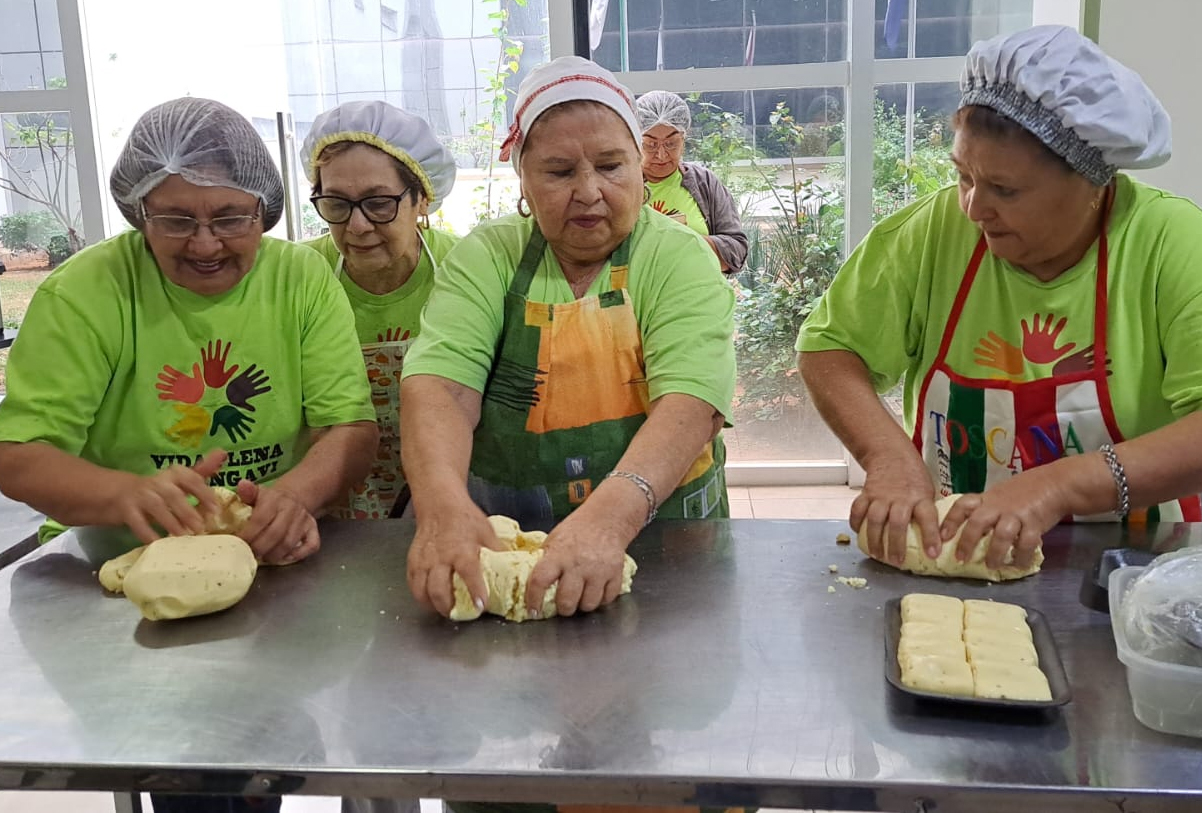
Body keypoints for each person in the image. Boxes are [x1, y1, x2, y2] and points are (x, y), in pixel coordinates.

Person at [796, 25, 1202, 572]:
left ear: (1092, 184)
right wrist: (888, 457)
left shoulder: (1166, 242)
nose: (972, 208)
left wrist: (1060, 485)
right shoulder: (936, 231)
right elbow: (832, 349)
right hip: (960, 552)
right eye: (963, 175)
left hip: (1132, 567)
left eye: (1005, 190)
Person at [0, 97, 380, 812]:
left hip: (279, 573)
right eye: (175, 220)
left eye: (229, 219)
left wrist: (295, 496)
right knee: (187, 777)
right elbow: (19, 453)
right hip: (116, 588)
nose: (205, 244)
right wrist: (128, 497)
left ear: (262, 211)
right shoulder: (86, 294)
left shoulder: (297, 280)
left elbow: (350, 430)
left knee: (281, 758)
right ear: (138, 211)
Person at [401, 56, 735, 623]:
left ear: (638, 164)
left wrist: (609, 521)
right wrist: (441, 505)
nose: (588, 192)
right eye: (559, 172)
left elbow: (690, 402)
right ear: (523, 178)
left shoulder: (676, 255)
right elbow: (442, 387)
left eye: (611, 166)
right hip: (501, 546)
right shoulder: (489, 256)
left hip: (666, 548)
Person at [301, 100, 461, 520]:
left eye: (378, 203)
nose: (357, 226)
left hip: (448, 499)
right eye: (336, 203)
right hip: (333, 503)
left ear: (422, 199)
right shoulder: (302, 277)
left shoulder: (462, 270)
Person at [634, 90, 749, 274]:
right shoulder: (622, 187)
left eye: (671, 143)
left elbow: (736, 250)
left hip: (701, 296)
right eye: (650, 144)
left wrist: (681, 243)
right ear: (634, 141)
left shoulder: (704, 183)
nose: (661, 155)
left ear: (684, 139)